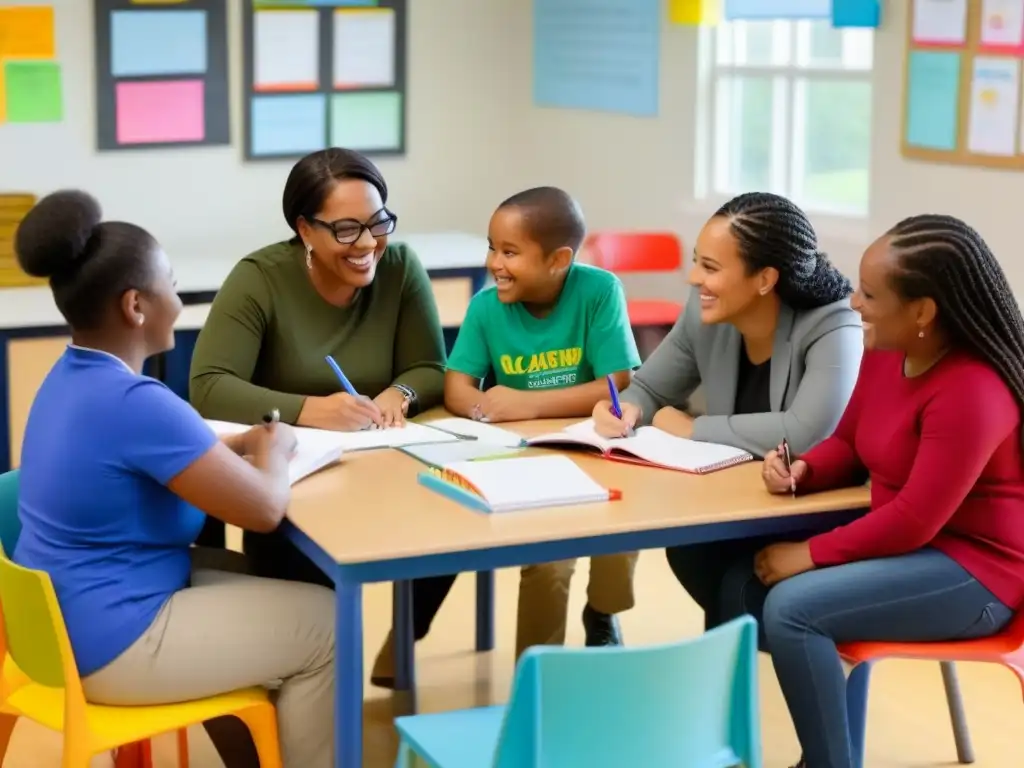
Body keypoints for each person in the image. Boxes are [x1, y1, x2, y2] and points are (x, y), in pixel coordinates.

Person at [11, 190, 335, 768]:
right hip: (115, 640)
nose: (179, 301)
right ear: (136, 305)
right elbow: (262, 509)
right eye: (172, 285)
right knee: (330, 626)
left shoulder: (70, 378)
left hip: (72, 620)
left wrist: (242, 444)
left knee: (267, 574)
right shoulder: (135, 402)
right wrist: (278, 448)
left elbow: (181, 451)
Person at [751, 214, 1024, 768]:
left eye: (870, 293)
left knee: (792, 608)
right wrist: (804, 469)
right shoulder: (885, 352)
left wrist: (807, 555)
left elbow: (913, 518)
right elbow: (849, 440)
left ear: (922, 311)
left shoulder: (974, 388)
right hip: (914, 552)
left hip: (978, 575)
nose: (854, 302)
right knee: (742, 580)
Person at [188, 147, 450, 688]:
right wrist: (309, 410)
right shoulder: (259, 278)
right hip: (296, 479)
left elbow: (428, 365)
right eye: (347, 229)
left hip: (384, 462)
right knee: (306, 588)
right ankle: (308, 681)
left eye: (378, 223)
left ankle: (403, 639)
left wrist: (398, 395)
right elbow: (209, 386)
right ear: (305, 229)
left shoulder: (400, 269)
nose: (368, 244)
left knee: (454, 525)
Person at [591, 192, 863, 634]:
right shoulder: (705, 313)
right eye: (698, 261)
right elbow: (649, 389)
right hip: (738, 504)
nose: (694, 277)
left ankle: (744, 670)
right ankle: (733, 674)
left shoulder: (834, 323)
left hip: (812, 514)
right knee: (690, 549)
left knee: (731, 582)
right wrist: (624, 410)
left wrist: (692, 428)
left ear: (765, 279)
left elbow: (809, 432)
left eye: (711, 268)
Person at [444, 187, 642, 654]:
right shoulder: (486, 307)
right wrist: (484, 408)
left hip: (596, 445)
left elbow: (618, 381)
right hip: (521, 455)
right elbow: (457, 388)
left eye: (510, 252)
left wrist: (530, 404)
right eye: (492, 246)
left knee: (624, 525)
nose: (495, 262)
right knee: (549, 563)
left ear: (559, 259)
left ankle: (603, 610)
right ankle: (537, 670)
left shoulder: (599, 291)